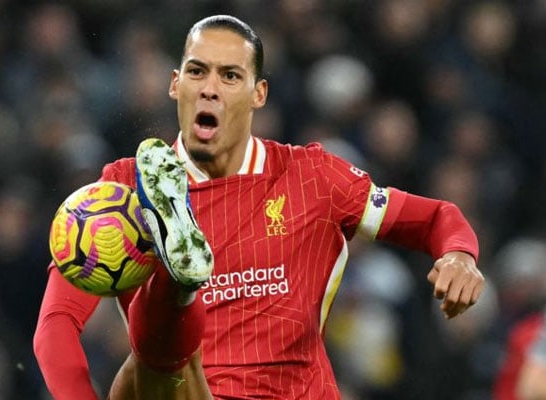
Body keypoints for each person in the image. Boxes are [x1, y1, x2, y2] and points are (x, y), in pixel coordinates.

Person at [33, 15, 484, 400]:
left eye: (229, 76)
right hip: (187, 389)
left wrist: (459, 254)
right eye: (196, 72)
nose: (210, 89)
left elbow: (435, 218)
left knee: (153, 359)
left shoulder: (313, 176)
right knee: (155, 365)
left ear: (259, 93)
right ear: (175, 84)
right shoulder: (121, 190)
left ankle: (177, 280)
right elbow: (56, 323)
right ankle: (179, 280)